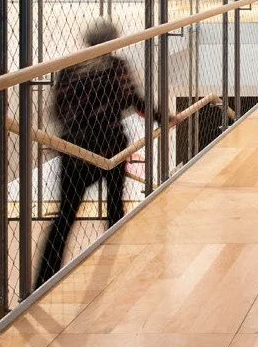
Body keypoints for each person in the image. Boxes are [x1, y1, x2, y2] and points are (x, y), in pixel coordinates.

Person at [36, 19, 163, 286]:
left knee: (66, 214)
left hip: (75, 148)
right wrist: (163, 118)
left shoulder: (70, 69)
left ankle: (43, 280)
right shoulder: (116, 68)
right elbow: (134, 101)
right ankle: (113, 271)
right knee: (114, 207)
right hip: (109, 146)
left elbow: (57, 111)